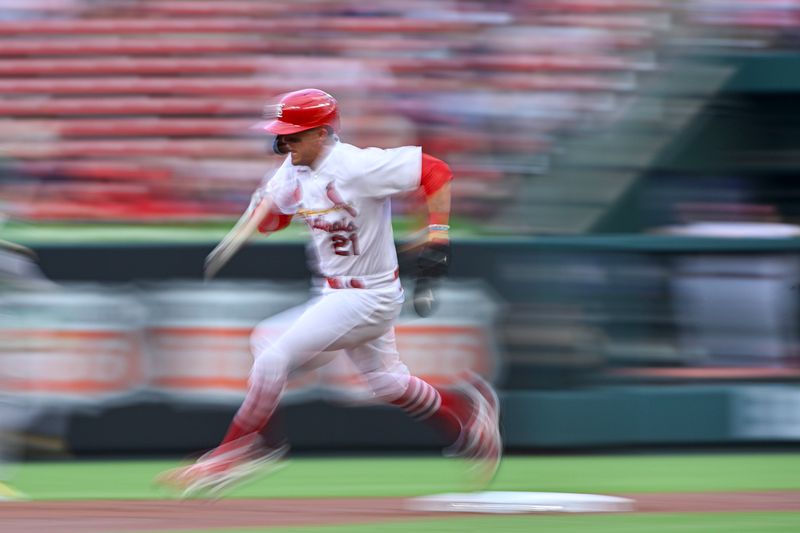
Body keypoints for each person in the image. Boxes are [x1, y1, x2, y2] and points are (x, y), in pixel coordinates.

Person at [157, 88, 501, 497]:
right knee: (387, 382)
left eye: (293, 136)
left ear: (321, 134)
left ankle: (240, 447)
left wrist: (438, 235)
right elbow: (276, 220)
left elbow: (436, 171)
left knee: (271, 352)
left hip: (367, 295)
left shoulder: (357, 165)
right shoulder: (291, 170)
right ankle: (465, 416)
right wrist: (265, 209)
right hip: (334, 293)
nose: (284, 143)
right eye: (281, 136)